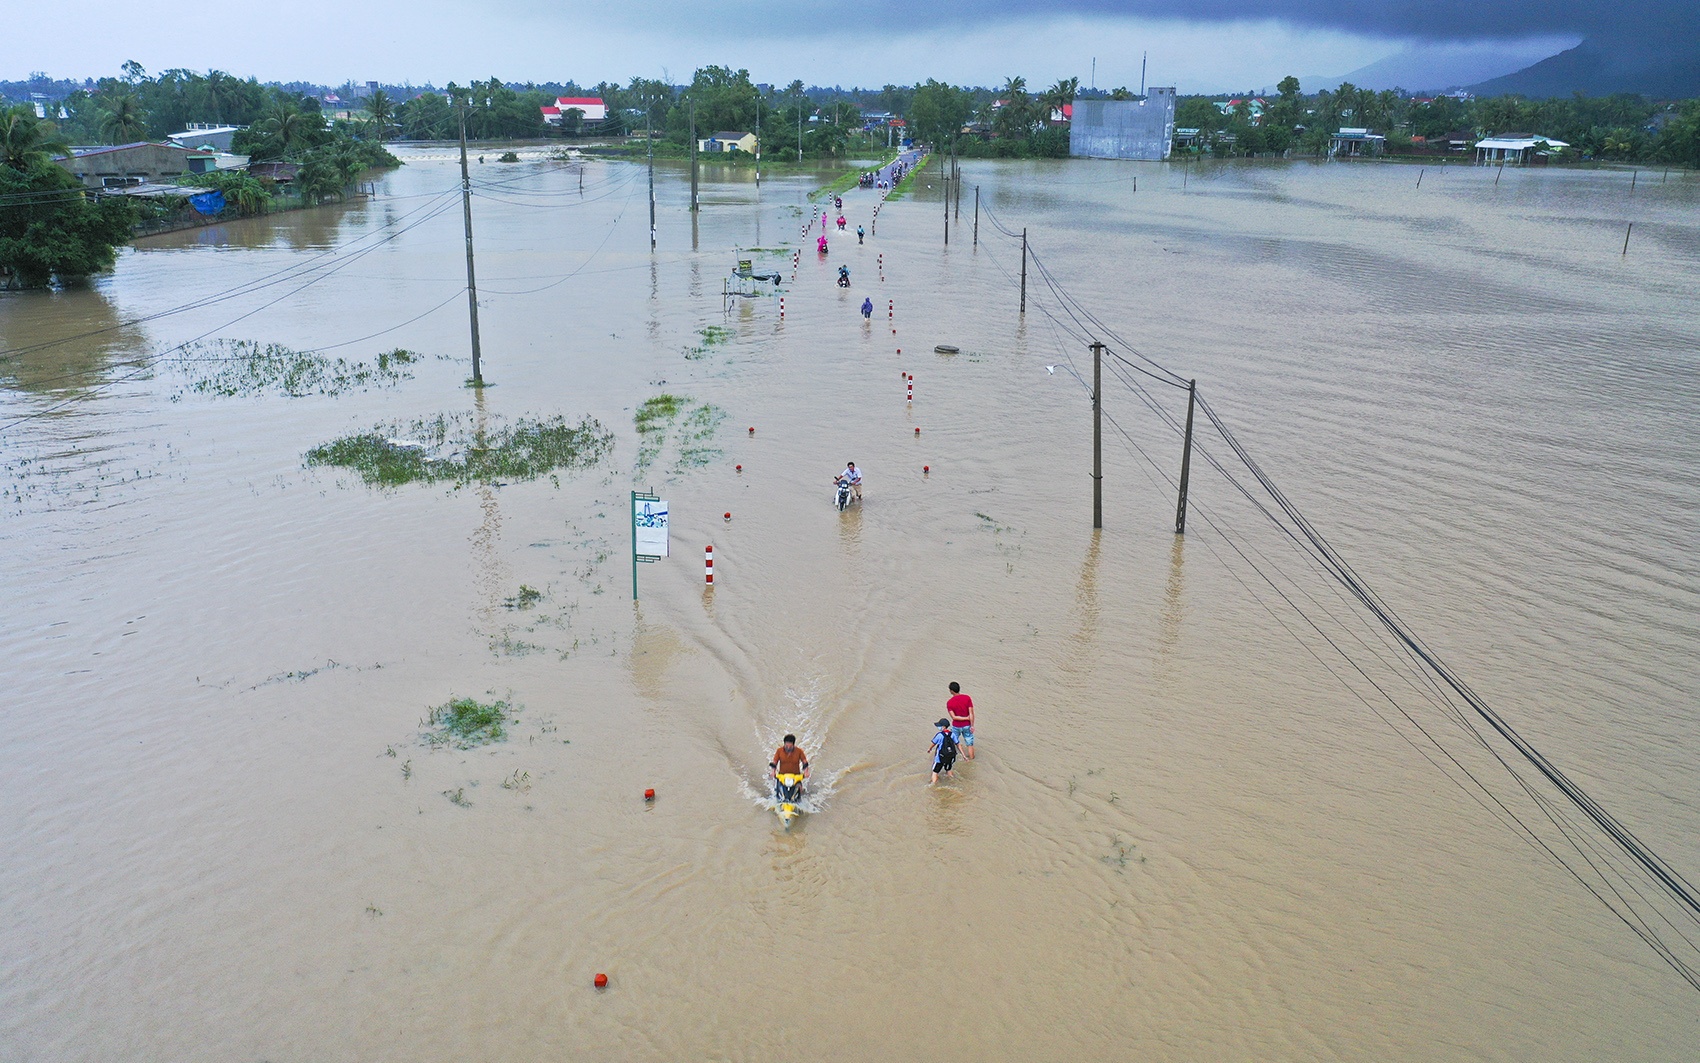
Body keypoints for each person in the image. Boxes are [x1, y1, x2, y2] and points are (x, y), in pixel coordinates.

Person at [769, 734, 810, 799]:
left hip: (796, 776)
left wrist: (806, 772)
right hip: (782, 776)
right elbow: (774, 762)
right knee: (778, 792)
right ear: (784, 744)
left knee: (800, 791)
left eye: (790, 746)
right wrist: (773, 772)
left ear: (793, 745)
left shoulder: (799, 751)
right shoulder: (779, 751)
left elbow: (805, 762)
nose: (788, 748)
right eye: (786, 746)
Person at [946, 681, 975, 760]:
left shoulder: (949, 703)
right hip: (967, 725)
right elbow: (971, 713)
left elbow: (954, 717)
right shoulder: (967, 698)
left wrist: (965, 718)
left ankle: (953, 758)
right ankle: (971, 760)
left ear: (951, 691)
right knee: (970, 744)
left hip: (956, 726)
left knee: (953, 742)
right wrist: (972, 725)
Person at [929, 718, 959, 784]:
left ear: (943, 727)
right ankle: (953, 781)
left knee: (935, 772)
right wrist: (963, 755)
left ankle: (933, 784)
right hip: (950, 756)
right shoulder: (952, 734)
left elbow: (933, 743)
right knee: (948, 770)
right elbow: (957, 743)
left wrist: (929, 749)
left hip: (940, 758)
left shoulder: (939, 735)